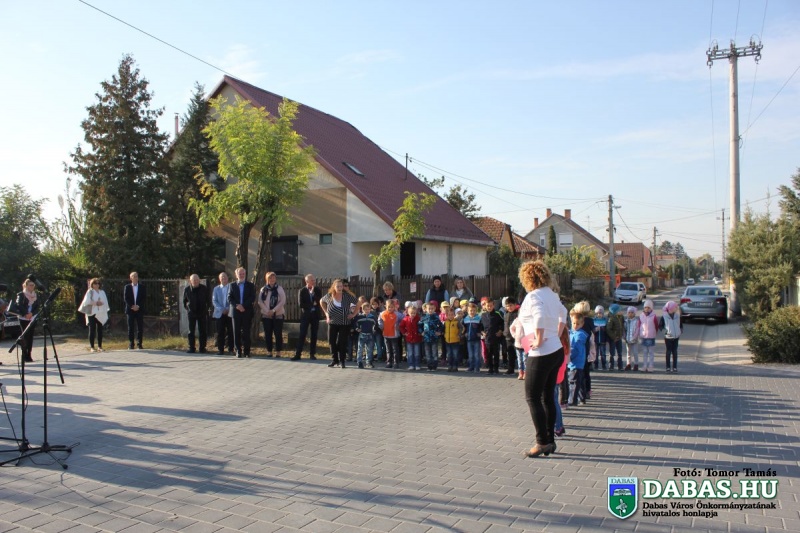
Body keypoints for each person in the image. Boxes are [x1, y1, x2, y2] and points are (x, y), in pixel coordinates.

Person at [517, 260, 567, 458]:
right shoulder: (551, 294)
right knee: (548, 397)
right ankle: (550, 440)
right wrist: (556, 333)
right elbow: (563, 313)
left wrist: (538, 338)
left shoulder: (533, 296)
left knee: (532, 397)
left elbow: (538, 316)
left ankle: (542, 442)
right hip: (555, 350)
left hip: (541, 353)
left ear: (527, 278)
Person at [320, 279, 358, 368]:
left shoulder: (347, 296)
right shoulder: (329, 296)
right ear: (334, 287)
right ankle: (335, 360)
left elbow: (358, 302)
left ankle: (342, 361)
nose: (340, 288)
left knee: (342, 342)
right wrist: (326, 314)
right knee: (331, 341)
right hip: (332, 322)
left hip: (344, 323)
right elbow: (321, 301)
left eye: (341, 286)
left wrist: (353, 314)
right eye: (338, 286)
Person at [293, 274, 322, 360]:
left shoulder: (317, 290)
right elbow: (301, 304)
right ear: (307, 281)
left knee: (314, 335)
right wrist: (312, 304)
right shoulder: (302, 291)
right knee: (302, 334)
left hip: (315, 315)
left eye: (314, 280)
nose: (314, 282)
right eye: (312, 280)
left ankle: (312, 354)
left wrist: (313, 294)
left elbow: (319, 301)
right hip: (306, 315)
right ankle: (298, 354)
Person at [228, 267, 256, 358]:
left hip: (246, 311)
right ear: (236, 275)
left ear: (245, 274)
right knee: (236, 332)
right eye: (240, 274)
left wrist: (243, 306)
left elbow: (252, 297)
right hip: (235, 311)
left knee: (246, 332)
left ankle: (247, 351)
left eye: (243, 274)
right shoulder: (232, 285)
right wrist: (237, 306)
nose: (242, 275)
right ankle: (238, 351)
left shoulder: (250, 285)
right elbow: (229, 298)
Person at [258, 272, 286, 358]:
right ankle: (269, 351)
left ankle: (278, 352)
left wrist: (274, 310)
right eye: (270, 278)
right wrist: (268, 311)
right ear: (267, 279)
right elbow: (260, 301)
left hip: (278, 315)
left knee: (278, 334)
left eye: (273, 278)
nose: (272, 279)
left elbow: (283, 301)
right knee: (268, 334)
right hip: (266, 315)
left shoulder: (279, 289)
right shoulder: (263, 289)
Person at [78, 278, 108, 353]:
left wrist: (102, 304)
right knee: (92, 330)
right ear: (92, 284)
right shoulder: (90, 292)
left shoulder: (102, 292)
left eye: (98, 283)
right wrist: (96, 303)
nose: (97, 285)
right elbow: (86, 301)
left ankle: (100, 346)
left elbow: (105, 301)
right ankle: (92, 347)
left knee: (100, 330)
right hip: (92, 313)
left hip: (100, 313)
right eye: (95, 283)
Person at [14, 279, 40, 363]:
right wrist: (26, 313)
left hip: (32, 317)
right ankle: (24, 354)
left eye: (33, 285)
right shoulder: (21, 294)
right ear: (26, 286)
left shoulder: (35, 295)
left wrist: (32, 313)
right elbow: (19, 305)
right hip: (23, 318)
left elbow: (37, 306)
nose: (32, 287)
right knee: (25, 336)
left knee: (30, 337)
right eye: (30, 285)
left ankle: (29, 354)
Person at [182, 274, 210, 354]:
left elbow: (208, 300)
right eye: (193, 280)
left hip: (202, 312)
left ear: (199, 280)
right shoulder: (187, 289)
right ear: (190, 281)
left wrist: (206, 309)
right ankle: (191, 347)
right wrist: (188, 309)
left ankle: (202, 348)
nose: (195, 281)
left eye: (197, 280)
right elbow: (184, 301)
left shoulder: (204, 289)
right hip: (191, 313)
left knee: (203, 331)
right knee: (191, 331)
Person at [567, 310, 589, 406]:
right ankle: (582, 398)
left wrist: (569, 358)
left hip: (576, 362)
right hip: (575, 362)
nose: (575, 325)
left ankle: (572, 400)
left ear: (582, 324)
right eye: (574, 323)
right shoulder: (572, 332)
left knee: (573, 381)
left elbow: (576, 349)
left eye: (578, 324)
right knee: (579, 381)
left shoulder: (580, 335)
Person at [480, 298, 505, 375]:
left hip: (496, 338)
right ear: (485, 306)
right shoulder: (483, 315)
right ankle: (490, 369)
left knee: (496, 354)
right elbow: (480, 326)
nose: (489, 307)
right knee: (489, 354)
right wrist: (482, 332)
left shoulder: (498, 314)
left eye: (491, 306)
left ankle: (496, 368)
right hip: (487, 338)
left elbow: (502, 324)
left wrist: (500, 331)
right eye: (488, 306)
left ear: (493, 305)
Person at [212, 272, 234, 355]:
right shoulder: (216, 289)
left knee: (230, 331)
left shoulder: (231, 287)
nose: (223, 278)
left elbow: (233, 299)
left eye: (225, 277)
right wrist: (222, 309)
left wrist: (228, 309)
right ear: (219, 279)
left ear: (227, 278)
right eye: (222, 277)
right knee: (220, 332)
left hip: (229, 312)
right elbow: (214, 301)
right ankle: (220, 349)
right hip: (219, 313)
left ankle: (231, 349)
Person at [124, 272, 146, 349]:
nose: (136, 278)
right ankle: (131, 343)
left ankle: (139, 344)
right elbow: (126, 298)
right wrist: (132, 306)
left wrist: (138, 306)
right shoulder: (127, 287)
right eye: (134, 276)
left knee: (140, 327)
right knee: (130, 327)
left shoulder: (142, 287)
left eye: (136, 276)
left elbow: (143, 298)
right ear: (131, 278)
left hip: (139, 310)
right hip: (130, 310)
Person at [419, 302, 443, 371]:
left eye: (432, 309)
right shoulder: (424, 317)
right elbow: (419, 326)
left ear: (434, 309)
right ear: (426, 309)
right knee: (428, 353)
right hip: (426, 338)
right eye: (429, 309)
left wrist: (439, 332)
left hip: (434, 338)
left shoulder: (436, 317)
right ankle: (429, 366)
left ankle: (434, 366)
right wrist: (421, 332)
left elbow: (441, 326)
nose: (430, 310)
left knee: (434, 352)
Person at [659, 301, 683, 372]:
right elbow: (660, 326)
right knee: (668, 351)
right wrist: (665, 332)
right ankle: (668, 367)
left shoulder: (677, 316)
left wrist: (680, 330)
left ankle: (675, 367)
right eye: (675, 307)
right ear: (671, 308)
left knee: (675, 352)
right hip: (668, 337)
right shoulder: (664, 317)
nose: (676, 308)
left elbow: (680, 324)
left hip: (676, 337)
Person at [378, 299, 402, 368]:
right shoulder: (382, 313)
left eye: (392, 307)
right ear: (386, 306)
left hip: (394, 335)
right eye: (389, 307)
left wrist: (399, 325)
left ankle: (396, 362)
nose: (390, 308)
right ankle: (389, 362)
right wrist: (381, 326)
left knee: (395, 349)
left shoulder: (397, 314)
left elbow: (404, 319)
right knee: (388, 350)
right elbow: (379, 320)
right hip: (386, 335)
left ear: (394, 307)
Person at [354, 302, 378, 369]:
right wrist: (357, 328)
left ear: (370, 309)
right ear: (362, 310)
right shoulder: (359, 317)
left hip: (370, 335)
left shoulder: (372, 317)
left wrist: (374, 329)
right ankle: (359, 362)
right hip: (362, 335)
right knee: (360, 349)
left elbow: (376, 324)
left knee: (369, 350)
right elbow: (354, 324)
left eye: (368, 309)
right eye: (365, 309)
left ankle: (369, 362)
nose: (367, 311)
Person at [461, 301, 483, 373]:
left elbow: (481, 327)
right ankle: (471, 367)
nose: (472, 312)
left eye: (474, 310)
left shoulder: (479, 318)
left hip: (476, 339)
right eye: (470, 310)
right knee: (470, 355)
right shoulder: (465, 319)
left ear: (476, 311)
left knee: (476, 354)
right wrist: (464, 333)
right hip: (469, 339)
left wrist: (480, 332)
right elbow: (463, 327)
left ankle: (477, 367)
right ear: (467, 311)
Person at [400, 303, 423, 370]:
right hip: (409, 339)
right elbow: (401, 326)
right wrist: (405, 333)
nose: (413, 314)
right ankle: (411, 365)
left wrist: (420, 332)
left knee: (417, 353)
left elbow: (422, 326)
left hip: (417, 339)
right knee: (410, 353)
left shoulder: (418, 319)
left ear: (416, 313)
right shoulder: (405, 319)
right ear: (408, 312)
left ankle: (417, 364)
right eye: (411, 313)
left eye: (414, 313)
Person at [638, 299, 659, 372]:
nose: (646, 309)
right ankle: (644, 365)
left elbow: (656, 326)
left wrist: (654, 333)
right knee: (644, 352)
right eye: (645, 307)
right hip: (644, 336)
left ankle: (651, 366)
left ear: (651, 308)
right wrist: (639, 334)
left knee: (651, 352)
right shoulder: (641, 316)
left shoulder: (654, 316)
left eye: (648, 307)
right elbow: (639, 325)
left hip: (651, 336)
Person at [504, 297, 521, 377]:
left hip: (517, 337)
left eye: (511, 305)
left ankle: (521, 370)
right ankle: (510, 370)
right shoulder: (506, 314)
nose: (509, 307)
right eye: (507, 306)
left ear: (515, 305)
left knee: (519, 355)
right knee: (510, 354)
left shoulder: (518, 314)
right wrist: (504, 333)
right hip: (508, 337)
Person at [606, 304, 625, 371]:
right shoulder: (611, 318)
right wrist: (614, 337)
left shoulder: (621, 317)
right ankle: (611, 365)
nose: (621, 311)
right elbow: (608, 329)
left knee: (620, 352)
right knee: (612, 352)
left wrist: (622, 334)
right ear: (615, 312)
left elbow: (622, 325)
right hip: (613, 339)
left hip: (619, 337)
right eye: (619, 310)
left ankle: (620, 365)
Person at [442, 306, 461, 371]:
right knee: (449, 355)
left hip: (455, 341)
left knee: (455, 354)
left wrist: (459, 335)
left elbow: (462, 328)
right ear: (447, 315)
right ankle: (450, 366)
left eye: (452, 314)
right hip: (448, 341)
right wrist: (444, 334)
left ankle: (455, 366)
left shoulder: (457, 322)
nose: (450, 316)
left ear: (454, 315)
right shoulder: (445, 322)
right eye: (449, 315)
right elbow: (443, 330)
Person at [623, 306, 640, 371]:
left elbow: (637, 330)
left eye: (632, 312)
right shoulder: (626, 321)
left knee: (635, 352)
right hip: (627, 339)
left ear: (634, 313)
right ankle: (628, 364)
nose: (630, 314)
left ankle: (636, 364)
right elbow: (624, 330)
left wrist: (634, 337)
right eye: (629, 312)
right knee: (628, 353)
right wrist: (624, 336)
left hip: (634, 340)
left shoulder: (636, 321)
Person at [593, 305, 608, 370]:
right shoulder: (593, 320)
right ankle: (596, 365)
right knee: (595, 353)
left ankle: (604, 365)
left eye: (600, 313)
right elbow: (592, 330)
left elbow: (607, 331)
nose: (599, 314)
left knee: (603, 353)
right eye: (598, 313)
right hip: (595, 340)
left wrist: (607, 340)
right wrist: (595, 330)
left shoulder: (605, 320)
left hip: (603, 340)